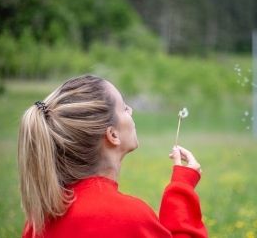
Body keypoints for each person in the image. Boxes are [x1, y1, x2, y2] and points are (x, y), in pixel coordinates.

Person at [18, 75, 208, 238]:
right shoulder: (129, 217)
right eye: (124, 108)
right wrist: (182, 191)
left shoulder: (38, 221)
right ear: (113, 135)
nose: (131, 111)